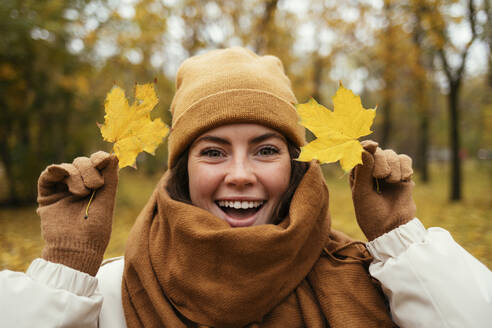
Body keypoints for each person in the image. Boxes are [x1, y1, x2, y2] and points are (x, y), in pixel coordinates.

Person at [0, 47, 491, 328]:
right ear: (182, 170)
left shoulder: (372, 280)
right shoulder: (112, 292)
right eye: (212, 152)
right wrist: (65, 268)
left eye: (266, 150)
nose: (240, 174)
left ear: (297, 166)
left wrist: (401, 236)